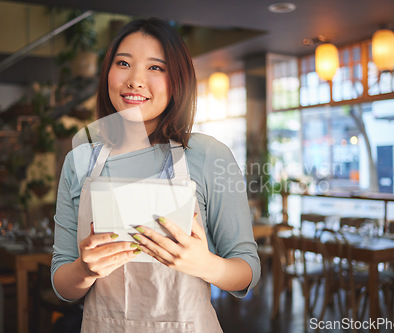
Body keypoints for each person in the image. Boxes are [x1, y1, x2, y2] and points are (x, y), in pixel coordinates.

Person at [51, 18, 260, 332]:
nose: (135, 80)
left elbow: (247, 268)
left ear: (178, 80)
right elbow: (62, 281)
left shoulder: (208, 155)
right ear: (107, 72)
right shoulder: (78, 161)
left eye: (155, 68)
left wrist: (205, 265)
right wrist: (84, 269)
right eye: (123, 63)